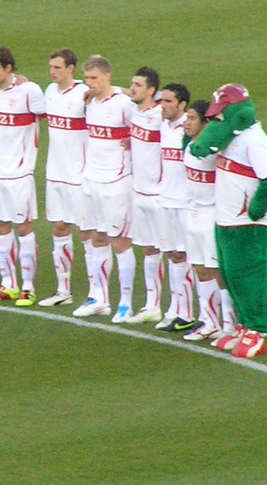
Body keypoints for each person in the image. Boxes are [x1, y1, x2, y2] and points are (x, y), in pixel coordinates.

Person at [188, 83, 267, 358]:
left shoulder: (254, 139)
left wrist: (256, 210)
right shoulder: (228, 136)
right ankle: (243, 325)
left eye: (222, 112)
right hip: (226, 222)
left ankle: (257, 330)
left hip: (248, 225)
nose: (218, 118)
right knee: (232, 275)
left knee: (249, 278)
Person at [0, 45, 46, 306]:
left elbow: (51, 116)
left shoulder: (30, 92)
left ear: (9, 68)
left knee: (24, 228)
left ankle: (28, 287)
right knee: (0, 226)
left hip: (18, 174)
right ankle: (8, 284)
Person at [73, 55, 139, 321]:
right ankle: (99, 298)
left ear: (108, 76)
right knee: (95, 237)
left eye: (95, 78)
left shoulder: (124, 104)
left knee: (119, 241)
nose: (91, 84)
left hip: (116, 181)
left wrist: (132, 142)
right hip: (91, 179)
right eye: (87, 78)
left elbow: (146, 125)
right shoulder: (88, 102)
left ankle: (125, 303)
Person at [180, 100, 236, 343]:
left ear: (206, 123)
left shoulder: (216, 150)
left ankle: (230, 325)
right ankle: (210, 322)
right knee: (201, 270)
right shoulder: (189, 145)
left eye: (192, 118)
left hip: (212, 213)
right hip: (192, 213)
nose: (187, 123)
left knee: (218, 271)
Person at [40, 48, 90, 307]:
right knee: (59, 228)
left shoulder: (84, 93)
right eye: (51, 67)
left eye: (57, 67)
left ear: (71, 68)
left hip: (79, 175)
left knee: (86, 233)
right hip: (55, 174)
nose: (52, 71)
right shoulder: (49, 92)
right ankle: (63, 290)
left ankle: (97, 295)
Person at [153, 83, 198, 331]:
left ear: (182, 105)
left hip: (184, 203)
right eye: (162, 101)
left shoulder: (189, 130)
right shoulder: (163, 125)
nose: (163, 106)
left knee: (187, 256)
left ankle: (188, 313)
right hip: (165, 200)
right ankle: (177, 309)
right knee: (172, 254)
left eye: (169, 102)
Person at [127, 66, 166, 323]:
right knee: (149, 249)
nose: (132, 88)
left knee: (174, 252)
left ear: (151, 90)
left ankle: (179, 308)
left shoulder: (161, 115)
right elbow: (116, 91)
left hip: (160, 194)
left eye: (138, 85)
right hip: (138, 192)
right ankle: (152, 305)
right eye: (132, 84)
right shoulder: (131, 109)